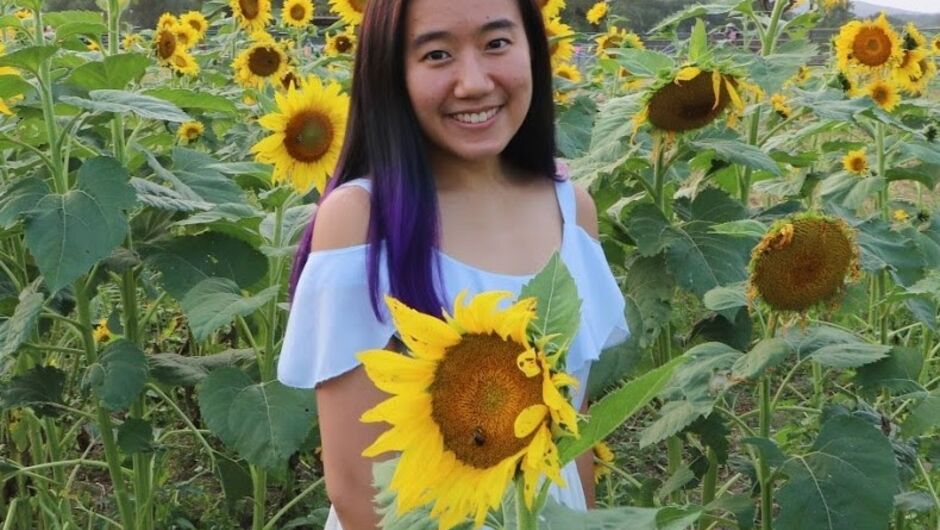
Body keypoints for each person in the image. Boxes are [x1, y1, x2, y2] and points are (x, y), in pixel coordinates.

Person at [276, 0, 629, 528]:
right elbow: (356, 489)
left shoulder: (571, 210)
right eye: (437, 54)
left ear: (533, 49)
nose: (473, 82)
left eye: (497, 44)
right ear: (391, 73)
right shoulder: (363, 222)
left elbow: (569, 441)